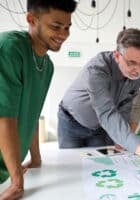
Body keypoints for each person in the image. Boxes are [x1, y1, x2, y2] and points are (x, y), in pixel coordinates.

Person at [57, 28, 140, 189]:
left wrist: (121, 138)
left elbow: (125, 104)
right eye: (131, 63)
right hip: (71, 122)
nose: (138, 70)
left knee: (99, 171)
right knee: (72, 174)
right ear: (117, 56)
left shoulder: (137, 76)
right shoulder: (97, 70)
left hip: (100, 128)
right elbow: (107, 113)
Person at [0, 0, 77, 199]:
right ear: (31, 19)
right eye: (56, 26)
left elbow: (33, 114)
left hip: (7, 167)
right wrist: (18, 182)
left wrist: (35, 158)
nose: (64, 34)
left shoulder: (47, 65)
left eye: (67, 27)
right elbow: (4, 117)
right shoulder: (10, 48)